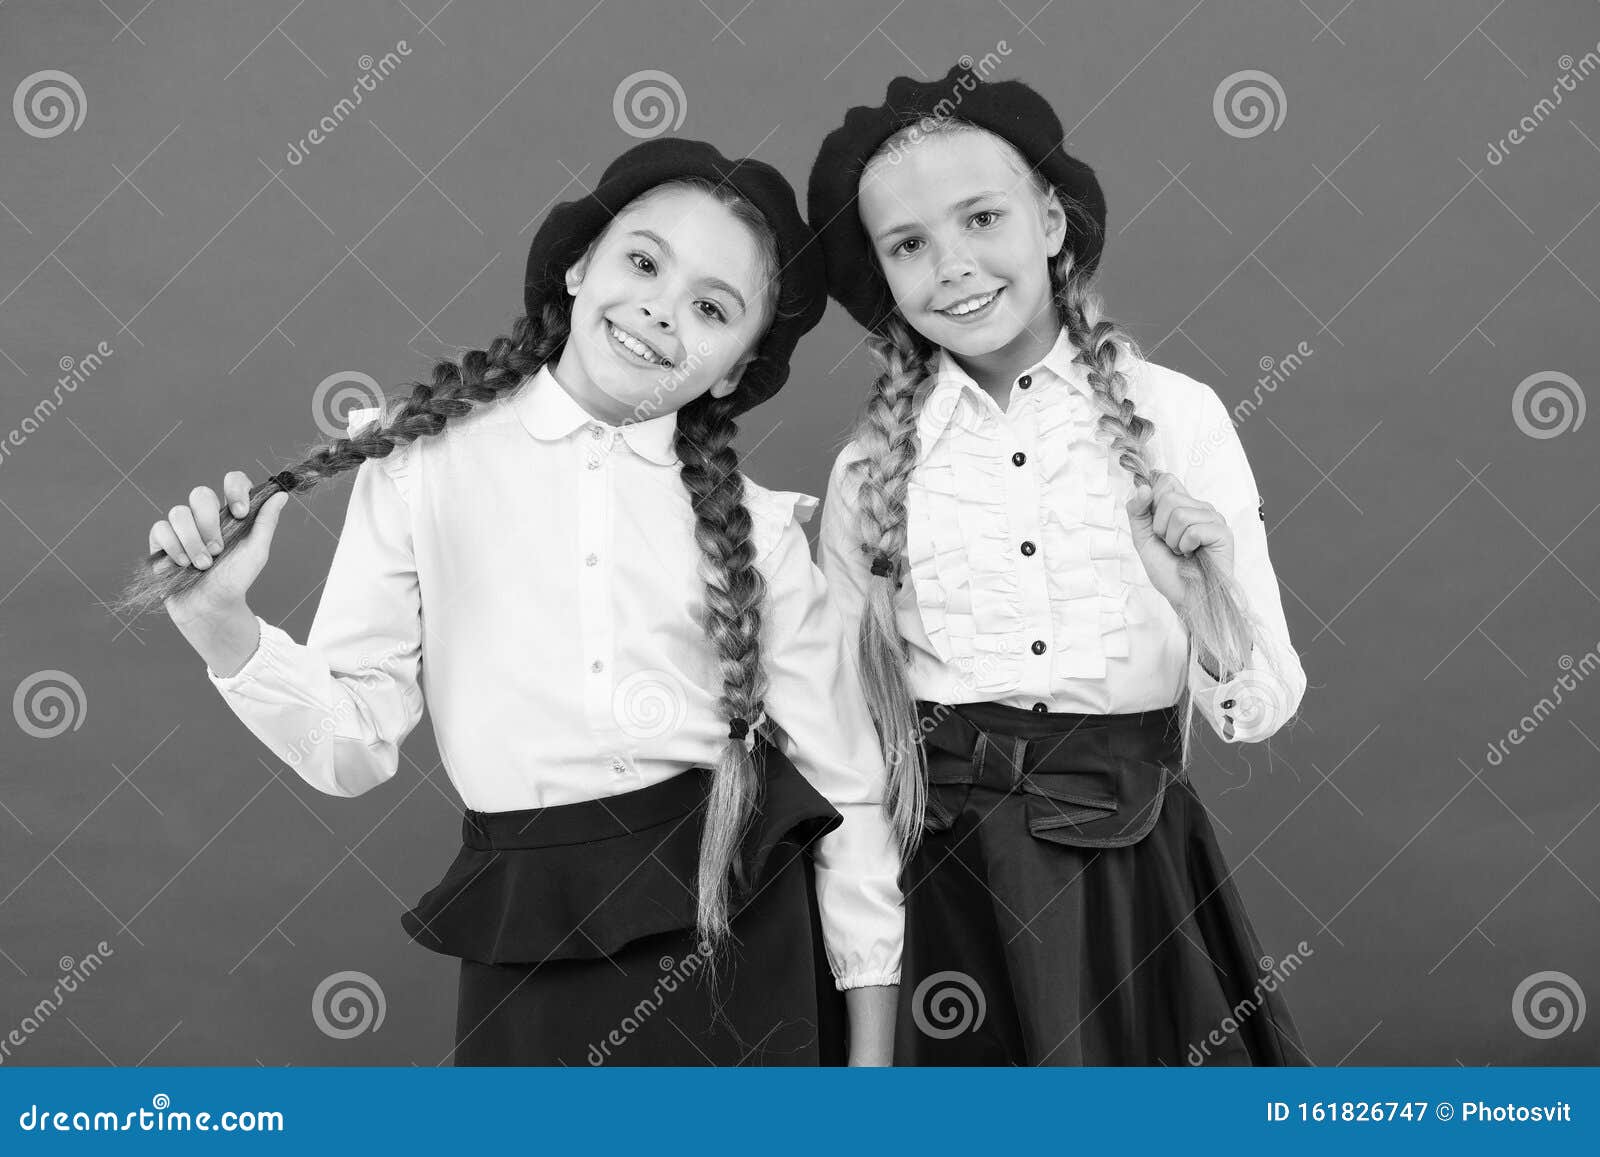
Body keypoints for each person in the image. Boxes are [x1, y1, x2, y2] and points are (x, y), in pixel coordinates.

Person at [115, 137, 902, 1066]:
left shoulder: (762, 537)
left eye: (711, 308)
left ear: (733, 369)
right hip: (530, 933)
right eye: (643, 261)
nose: (660, 308)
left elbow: (850, 788)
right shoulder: (420, 463)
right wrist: (227, 631)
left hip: (742, 945)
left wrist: (872, 1066)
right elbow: (354, 745)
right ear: (578, 266)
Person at [807, 65, 1309, 1065]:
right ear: (882, 274)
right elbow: (842, 745)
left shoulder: (1178, 416)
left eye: (981, 217)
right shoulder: (867, 468)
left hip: (1131, 877)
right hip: (941, 885)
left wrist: (1199, 599)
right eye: (909, 244)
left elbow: (1261, 702)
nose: (952, 265)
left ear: (1049, 219)